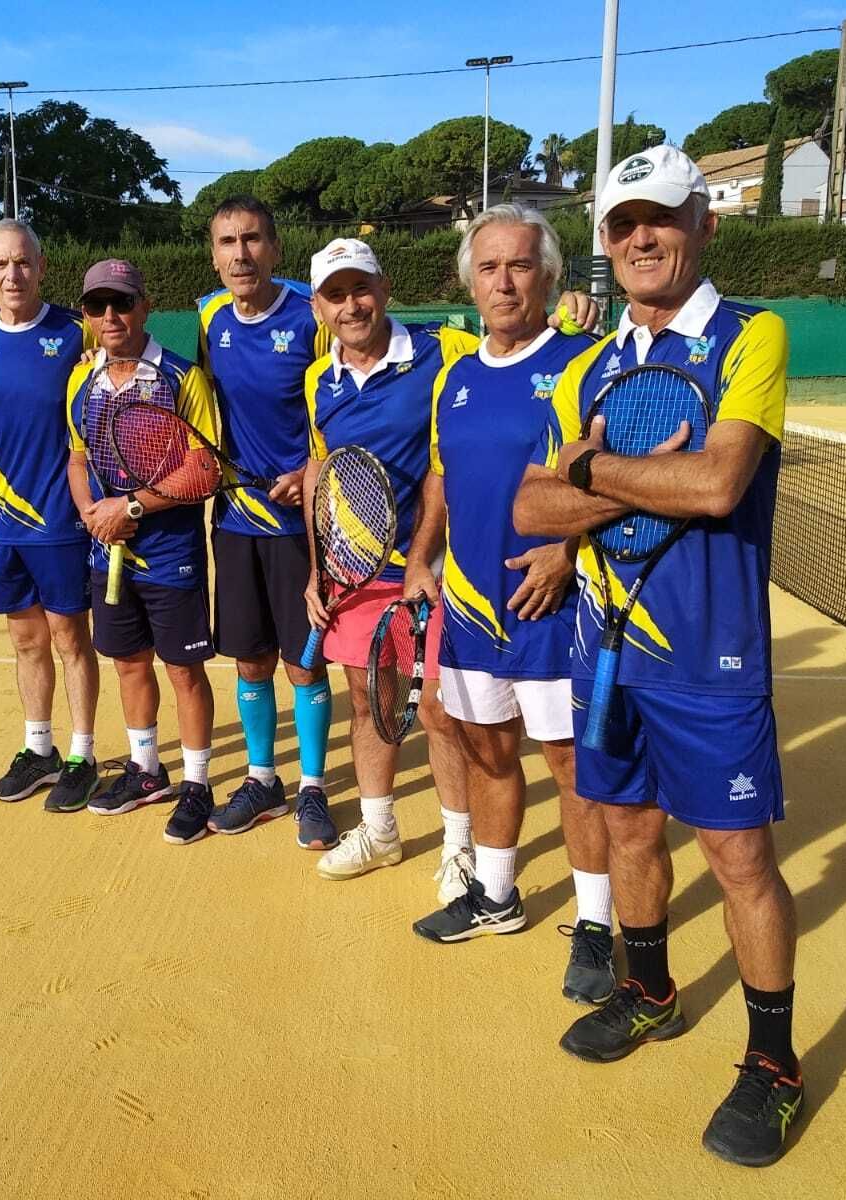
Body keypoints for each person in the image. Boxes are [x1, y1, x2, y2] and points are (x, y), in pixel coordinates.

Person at [512, 144, 802, 1167]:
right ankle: (648, 991)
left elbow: (719, 487)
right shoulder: (586, 366)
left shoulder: (749, 337)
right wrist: (627, 472)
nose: (642, 237)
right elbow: (530, 504)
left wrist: (590, 468)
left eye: (664, 218)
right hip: (606, 652)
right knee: (628, 834)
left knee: (738, 860)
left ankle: (771, 1064)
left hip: (710, 663)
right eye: (624, 221)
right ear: (604, 240)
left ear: (703, 226)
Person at [403, 204, 617, 1006]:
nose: (503, 280)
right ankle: (497, 894)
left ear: (551, 277)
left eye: (520, 265)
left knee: (572, 768)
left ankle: (595, 924)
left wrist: (566, 550)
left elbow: (612, 475)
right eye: (488, 267)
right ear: (470, 280)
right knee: (488, 752)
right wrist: (421, 558)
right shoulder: (453, 375)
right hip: (470, 609)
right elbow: (442, 480)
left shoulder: (585, 361)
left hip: (554, 606)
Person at [301, 238, 480, 885]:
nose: (351, 304)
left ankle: (459, 847)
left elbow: (443, 462)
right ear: (318, 307)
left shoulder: (444, 352)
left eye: (361, 288)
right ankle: (379, 831)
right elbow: (321, 470)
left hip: (441, 568)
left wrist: (572, 319)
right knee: (369, 701)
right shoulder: (318, 377)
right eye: (335, 294)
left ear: (385, 287)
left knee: (438, 707)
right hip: (359, 567)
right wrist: (318, 565)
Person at [64, 258, 223, 845]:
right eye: (97, 305)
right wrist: (91, 514)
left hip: (170, 549)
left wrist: (129, 508)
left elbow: (204, 469)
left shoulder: (182, 379)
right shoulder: (81, 381)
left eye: (122, 303)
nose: (110, 316)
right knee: (128, 663)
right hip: (105, 551)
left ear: (144, 307)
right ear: (85, 314)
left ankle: (199, 783)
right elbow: (77, 458)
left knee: (184, 670)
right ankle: (147, 770)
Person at [196, 196, 337, 850]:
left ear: (276, 249)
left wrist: (313, 470)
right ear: (214, 255)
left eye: (252, 239)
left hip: (301, 526)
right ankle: (262, 778)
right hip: (233, 519)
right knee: (249, 662)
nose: (240, 254)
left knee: (303, 665)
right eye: (227, 242)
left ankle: (313, 787)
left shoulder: (315, 315)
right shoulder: (209, 316)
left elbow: (347, 400)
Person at [0, 219, 101, 813]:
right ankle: (38, 747)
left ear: (41, 266)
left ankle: (81, 755)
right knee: (24, 639)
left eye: (23, 262)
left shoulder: (75, 330)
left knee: (69, 638)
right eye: (1, 265)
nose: (13, 274)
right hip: (0, 524)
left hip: (62, 522)